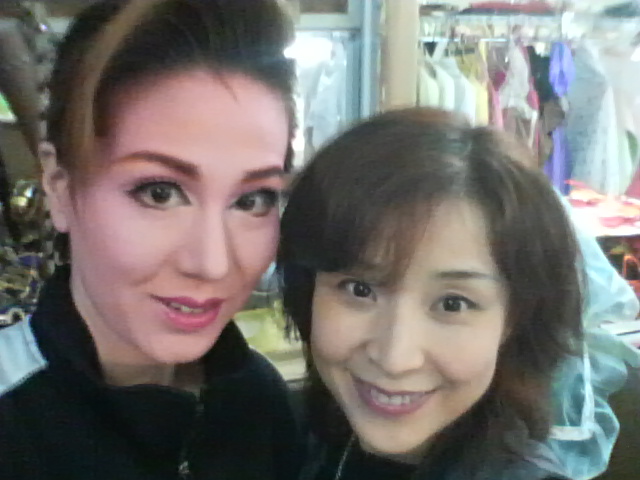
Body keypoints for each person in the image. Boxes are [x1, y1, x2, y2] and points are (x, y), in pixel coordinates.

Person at [0, 1, 302, 479]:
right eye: (160, 193)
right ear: (60, 186)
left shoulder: (256, 400)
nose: (212, 263)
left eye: (252, 200)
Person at [278, 107, 617, 480]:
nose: (395, 359)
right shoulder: (279, 438)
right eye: (360, 290)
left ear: (514, 319)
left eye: (452, 304)